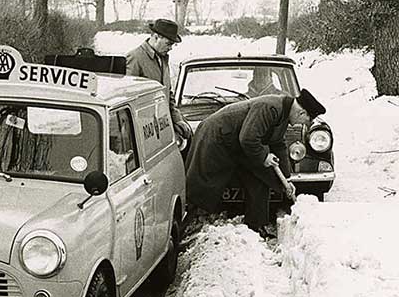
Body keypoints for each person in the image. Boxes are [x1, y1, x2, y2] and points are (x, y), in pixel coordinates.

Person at [184, 89, 326, 239]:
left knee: (260, 179)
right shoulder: (270, 107)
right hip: (217, 137)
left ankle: (256, 225)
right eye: (304, 121)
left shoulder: (284, 112)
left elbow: (278, 144)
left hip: (237, 144)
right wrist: (264, 156)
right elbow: (248, 138)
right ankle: (191, 224)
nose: (300, 124)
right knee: (205, 183)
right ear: (301, 113)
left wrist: (287, 179)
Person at [126, 18, 193, 151]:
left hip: (161, 127)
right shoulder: (135, 58)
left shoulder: (163, 59)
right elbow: (128, 99)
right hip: (142, 131)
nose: (170, 48)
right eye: (168, 44)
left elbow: (168, 95)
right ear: (156, 37)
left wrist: (177, 120)